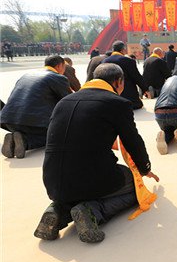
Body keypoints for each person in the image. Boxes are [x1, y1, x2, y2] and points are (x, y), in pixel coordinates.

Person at [35, 63, 159, 243]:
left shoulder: (64, 101)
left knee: (77, 182)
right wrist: (144, 168)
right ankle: (92, 211)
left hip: (53, 181)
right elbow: (133, 141)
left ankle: (58, 211)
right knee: (135, 187)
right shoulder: (117, 103)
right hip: (92, 179)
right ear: (118, 82)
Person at [1, 55, 71, 158]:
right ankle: (25, 141)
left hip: (8, 121)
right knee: (55, 135)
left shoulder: (27, 75)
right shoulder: (58, 78)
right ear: (59, 65)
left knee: (28, 129)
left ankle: (14, 139)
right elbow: (69, 101)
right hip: (33, 123)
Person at [102, 41, 148, 110]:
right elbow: (137, 77)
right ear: (123, 50)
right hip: (128, 96)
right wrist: (145, 90)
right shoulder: (128, 61)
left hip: (110, 96)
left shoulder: (105, 61)